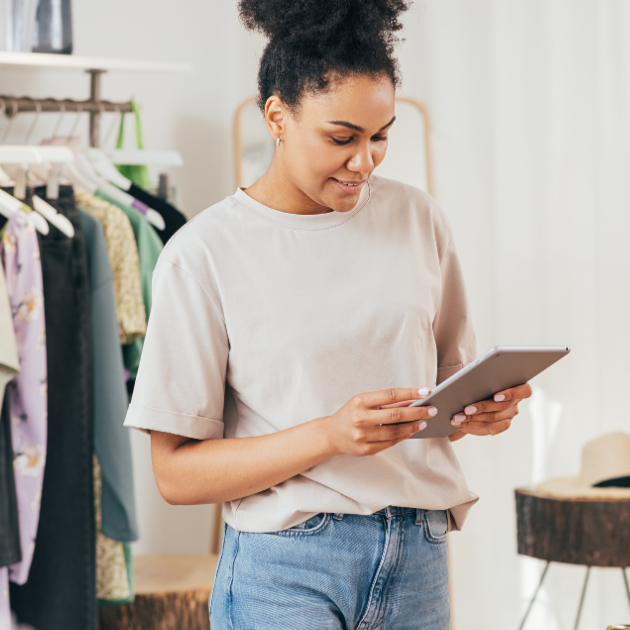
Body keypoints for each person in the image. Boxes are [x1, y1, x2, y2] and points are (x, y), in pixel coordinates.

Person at [123, 0, 533, 627]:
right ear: (278, 116)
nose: (364, 162)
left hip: (418, 554)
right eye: (342, 138)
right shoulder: (204, 253)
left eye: (381, 136)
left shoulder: (419, 220)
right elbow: (176, 474)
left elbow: (439, 401)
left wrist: (478, 412)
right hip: (286, 569)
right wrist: (329, 435)